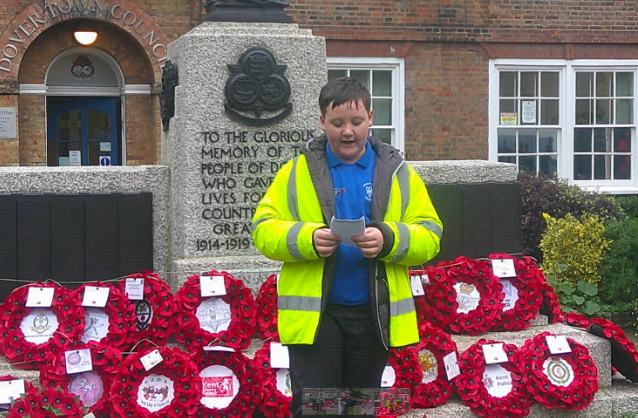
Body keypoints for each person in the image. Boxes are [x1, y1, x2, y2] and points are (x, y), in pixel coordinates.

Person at [252, 77, 442, 417]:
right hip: (317, 319)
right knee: (317, 409)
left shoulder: (399, 172)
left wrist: (389, 239)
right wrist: (307, 238)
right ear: (322, 122)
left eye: (356, 122)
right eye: (337, 123)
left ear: (370, 117)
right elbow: (263, 229)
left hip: (374, 316)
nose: (348, 132)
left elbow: (430, 234)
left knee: (360, 409)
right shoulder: (297, 171)